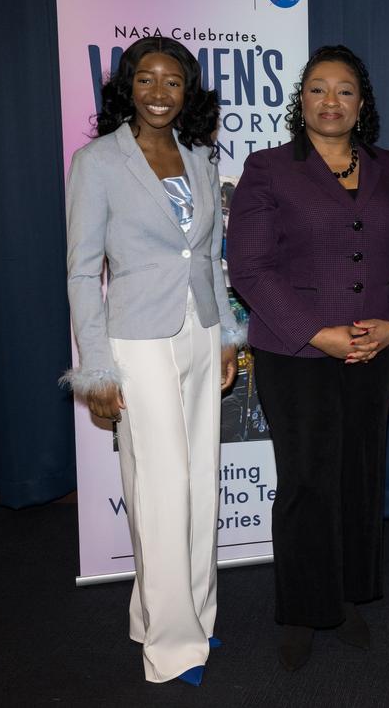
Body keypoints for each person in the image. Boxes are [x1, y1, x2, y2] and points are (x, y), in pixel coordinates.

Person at [225, 45, 389, 671]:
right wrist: (318, 332)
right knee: (307, 479)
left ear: (361, 104)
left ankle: (344, 596)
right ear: (301, 99)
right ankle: (301, 610)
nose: (331, 101)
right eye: (318, 88)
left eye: (344, 90)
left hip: (376, 350)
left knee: (358, 473)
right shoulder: (267, 169)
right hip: (296, 352)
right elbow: (250, 268)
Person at [62, 36, 242, 686]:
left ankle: (187, 610)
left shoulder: (199, 157)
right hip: (136, 338)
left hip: (198, 331)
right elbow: (84, 274)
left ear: (186, 91)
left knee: (197, 480)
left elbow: (209, 259)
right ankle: (171, 647)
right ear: (127, 87)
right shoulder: (97, 162)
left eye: (173, 81)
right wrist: (98, 369)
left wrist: (225, 337)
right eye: (147, 79)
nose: (159, 92)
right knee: (160, 489)